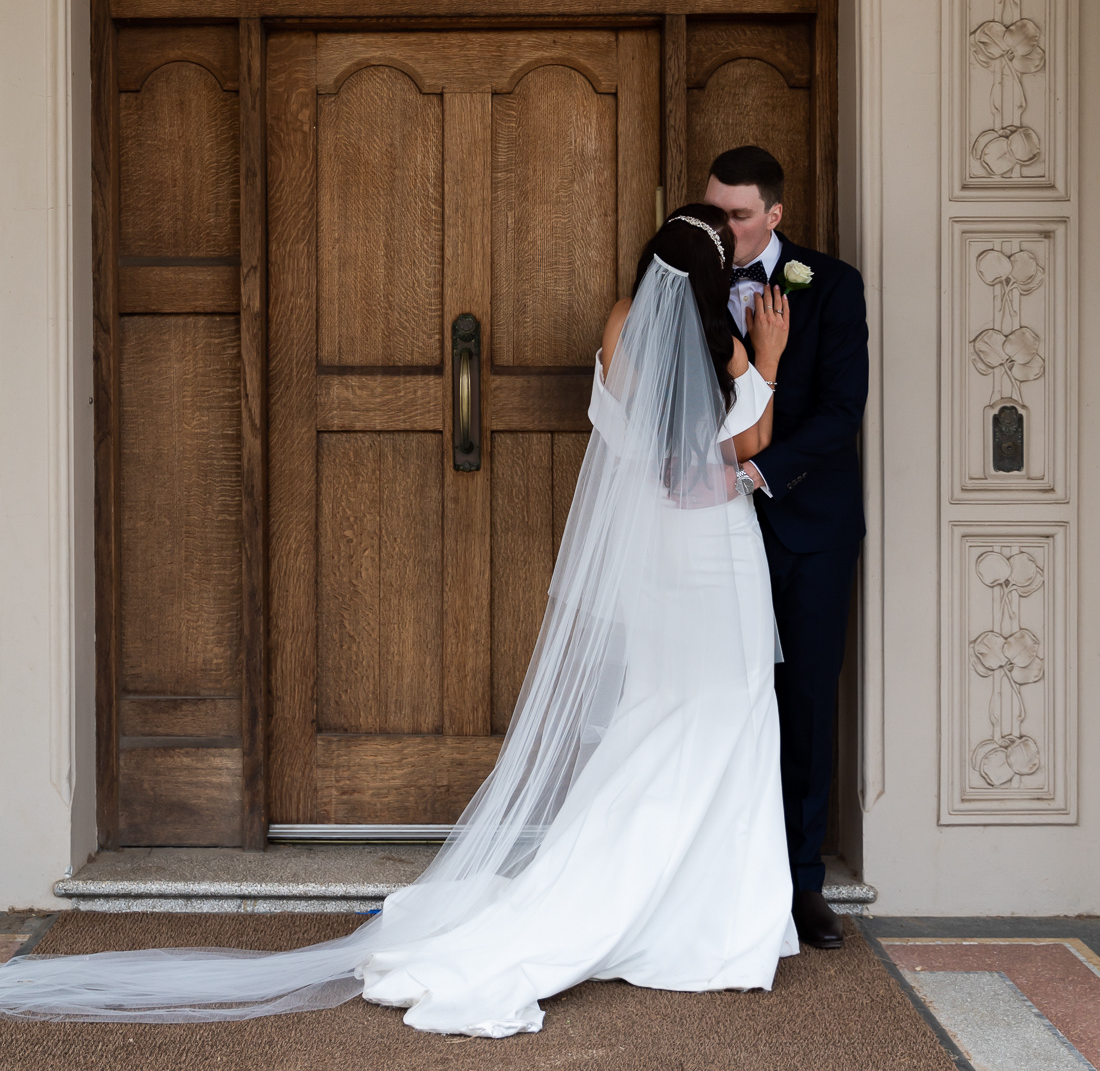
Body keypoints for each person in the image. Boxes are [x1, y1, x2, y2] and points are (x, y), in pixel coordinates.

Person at [0, 205, 795, 1037]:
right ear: (713, 278)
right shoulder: (724, 348)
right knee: (726, 714)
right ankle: (705, 911)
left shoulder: (624, 324)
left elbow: (632, 436)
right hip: (713, 557)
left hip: (654, 566)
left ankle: (633, 888)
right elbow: (747, 442)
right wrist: (768, 359)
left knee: (657, 717)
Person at [704, 147, 869, 952]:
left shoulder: (831, 284)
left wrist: (757, 472)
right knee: (722, 697)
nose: (724, 227)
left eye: (738, 215)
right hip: (711, 535)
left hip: (810, 528)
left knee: (803, 698)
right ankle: (722, 870)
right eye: (716, 211)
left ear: (774, 214)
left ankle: (802, 882)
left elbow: (842, 409)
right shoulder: (690, 282)